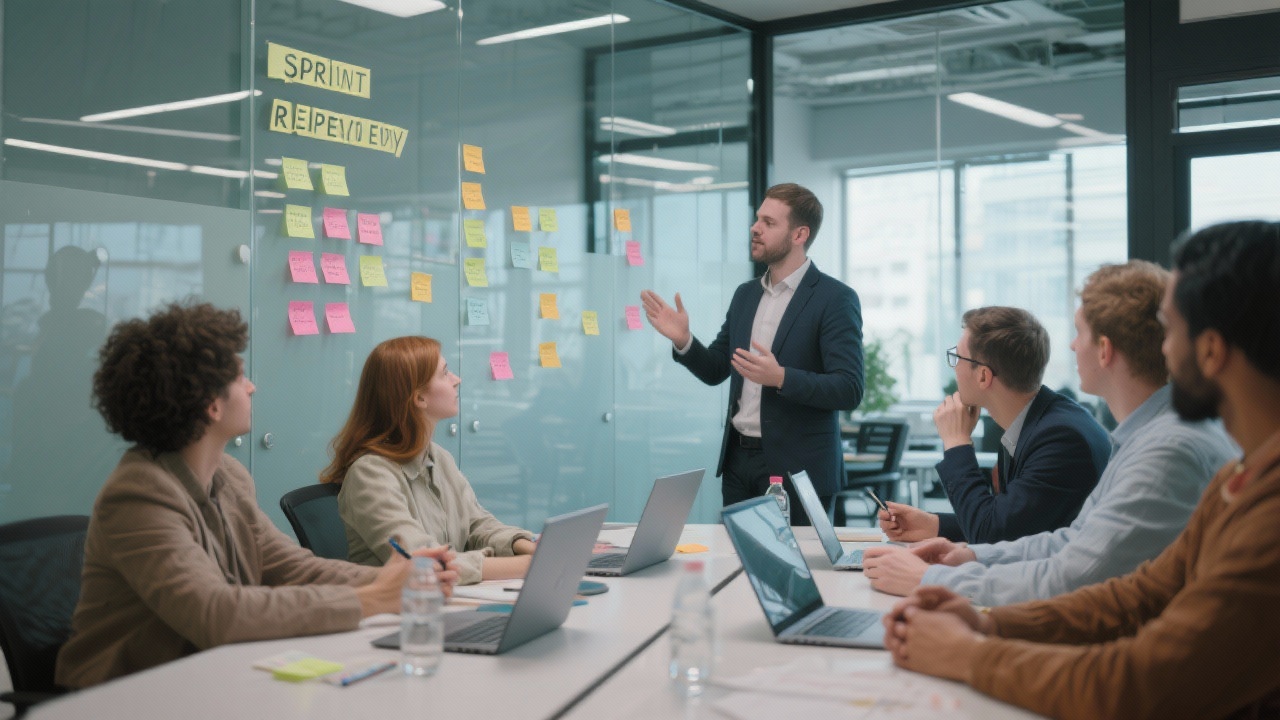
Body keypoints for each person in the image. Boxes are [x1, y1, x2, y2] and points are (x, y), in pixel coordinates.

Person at [882, 221, 1280, 719]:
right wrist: (990, 626)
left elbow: (1140, 678)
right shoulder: (1239, 476)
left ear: (1211, 350)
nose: (1162, 346)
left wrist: (967, 650)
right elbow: (1132, 595)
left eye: (1171, 329)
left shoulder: (1225, 481)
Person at [55, 303, 457, 689]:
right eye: (239, 377)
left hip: (209, 676)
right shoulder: (139, 495)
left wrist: (403, 581)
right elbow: (217, 614)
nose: (252, 386)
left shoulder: (228, 476)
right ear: (211, 404)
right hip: (127, 695)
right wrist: (373, 599)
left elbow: (291, 567)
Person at [862, 261, 1236, 601]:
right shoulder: (1147, 435)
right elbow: (1073, 542)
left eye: (1079, 332)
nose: (1072, 345)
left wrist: (933, 580)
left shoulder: (1167, 448)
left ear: (1104, 349)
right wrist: (972, 555)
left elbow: (1072, 577)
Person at [640, 183, 863, 525]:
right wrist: (684, 340)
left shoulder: (835, 299)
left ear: (799, 234)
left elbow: (849, 388)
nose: (755, 228)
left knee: (794, 573)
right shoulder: (745, 295)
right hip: (738, 464)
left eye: (769, 223)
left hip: (799, 471)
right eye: (758, 218)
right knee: (738, 567)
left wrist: (781, 378)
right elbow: (716, 368)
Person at [879, 307, 1110, 544]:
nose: (954, 368)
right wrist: (935, 525)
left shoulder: (1062, 439)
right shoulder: (1037, 423)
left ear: (983, 376)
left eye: (957, 358)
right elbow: (1012, 523)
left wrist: (956, 442)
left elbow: (991, 534)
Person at [323, 336, 535, 585]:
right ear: (419, 398)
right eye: (445, 373)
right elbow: (424, 563)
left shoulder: (438, 457)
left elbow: (477, 524)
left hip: (444, 601)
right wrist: (521, 566)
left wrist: (531, 548)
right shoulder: (369, 474)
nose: (457, 380)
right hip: (398, 614)